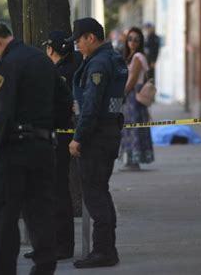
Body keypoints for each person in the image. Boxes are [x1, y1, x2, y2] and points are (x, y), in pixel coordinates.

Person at [0, 19, 67, 274]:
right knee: (41, 217)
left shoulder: (8, 65)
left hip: (13, 153)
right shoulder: (41, 59)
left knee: (5, 220)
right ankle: (44, 269)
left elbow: (4, 112)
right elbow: (63, 101)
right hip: (44, 149)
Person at [67, 17, 128, 268]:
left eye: (79, 41)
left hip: (96, 137)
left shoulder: (99, 64)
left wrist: (78, 138)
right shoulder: (111, 58)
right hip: (108, 133)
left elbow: (91, 107)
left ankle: (103, 251)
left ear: (91, 37)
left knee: (94, 195)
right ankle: (106, 248)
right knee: (100, 191)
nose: (77, 46)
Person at [23, 30, 82, 261]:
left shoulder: (61, 74)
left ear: (51, 49)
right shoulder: (61, 71)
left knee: (56, 192)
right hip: (53, 138)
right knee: (47, 192)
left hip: (58, 139)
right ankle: (47, 245)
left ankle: (62, 246)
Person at [120, 27, 155, 171]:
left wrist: (122, 95)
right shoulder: (132, 56)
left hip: (133, 96)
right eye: (130, 39)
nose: (132, 42)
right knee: (130, 127)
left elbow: (133, 79)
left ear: (140, 42)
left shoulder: (137, 57)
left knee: (133, 127)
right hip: (133, 96)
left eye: (136, 40)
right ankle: (131, 160)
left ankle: (134, 161)